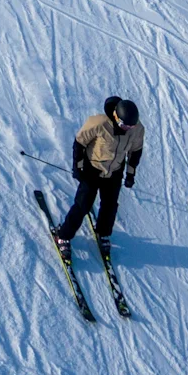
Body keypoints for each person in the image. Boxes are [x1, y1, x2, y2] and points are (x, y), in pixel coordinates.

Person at [53, 97, 144, 258]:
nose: (127, 129)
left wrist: (130, 173)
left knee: (110, 206)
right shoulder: (99, 123)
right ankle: (63, 235)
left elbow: (135, 152)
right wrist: (78, 166)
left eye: (131, 126)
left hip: (114, 171)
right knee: (83, 205)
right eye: (124, 125)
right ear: (116, 117)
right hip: (92, 169)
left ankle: (103, 233)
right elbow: (80, 143)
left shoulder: (136, 129)